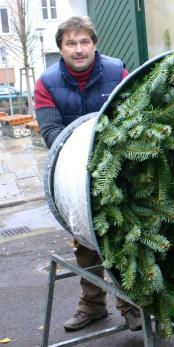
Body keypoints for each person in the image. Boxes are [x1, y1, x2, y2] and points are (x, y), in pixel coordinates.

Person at [34, 16, 142, 332]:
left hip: (116, 168)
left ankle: (130, 305)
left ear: (94, 44)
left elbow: (130, 115)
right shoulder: (46, 84)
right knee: (85, 240)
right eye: (71, 43)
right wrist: (84, 162)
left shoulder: (116, 72)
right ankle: (92, 305)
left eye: (84, 42)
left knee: (121, 235)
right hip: (73, 174)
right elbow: (52, 132)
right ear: (61, 48)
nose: (79, 49)